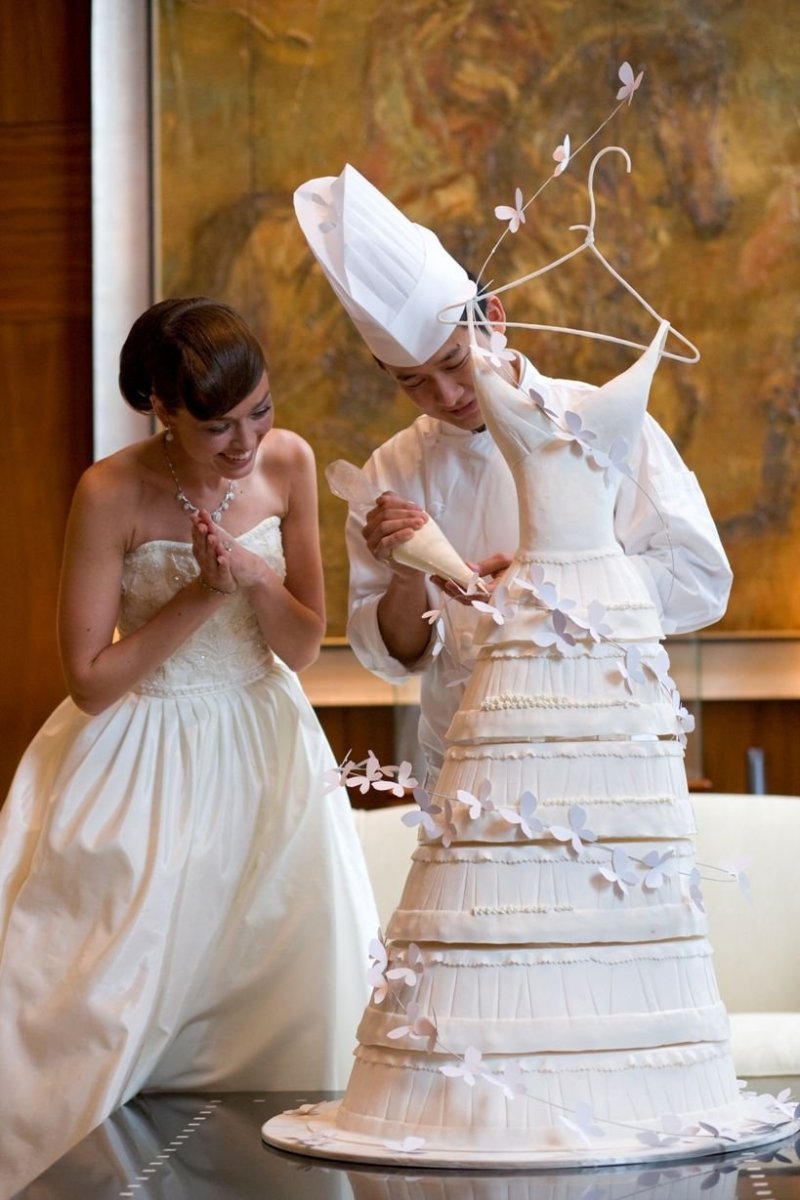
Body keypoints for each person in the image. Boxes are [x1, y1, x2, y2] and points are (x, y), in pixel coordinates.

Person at [0, 297, 378, 1194]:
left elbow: (301, 646)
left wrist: (251, 578)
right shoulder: (109, 491)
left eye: (260, 411)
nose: (246, 443)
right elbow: (90, 679)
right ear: (160, 409)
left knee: (283, 985)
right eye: (218, 427)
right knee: (104, 1000)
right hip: (141, 756)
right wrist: (202, 595)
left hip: (267, 748)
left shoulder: (288, 465)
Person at [294, 165, 733, 786]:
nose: (446, 395)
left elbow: (699, 581)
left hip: (604, 738)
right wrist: (406, 574)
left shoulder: (599, 419)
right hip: (471, 761)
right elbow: (395, 657)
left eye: (454, 362)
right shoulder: (391, 469)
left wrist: (546, 581)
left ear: (494, 317)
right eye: (413, 382)